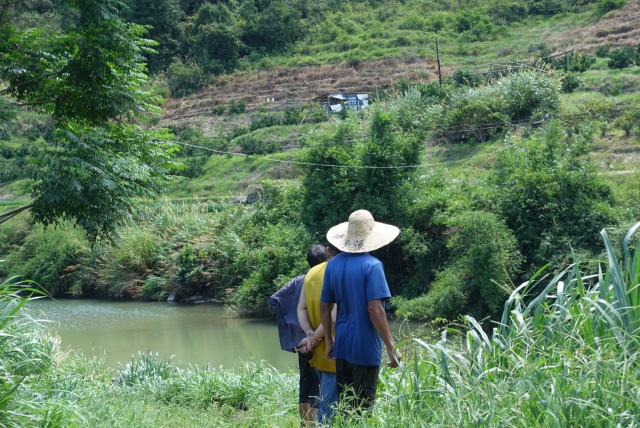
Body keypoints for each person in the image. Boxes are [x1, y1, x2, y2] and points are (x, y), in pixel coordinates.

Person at [320, 209, 402, 412]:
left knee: (346, 407)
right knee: (363, 410)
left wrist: (330, 342)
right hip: (365, 348)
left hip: (343, 346)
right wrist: (392, 347)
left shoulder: (332, 265)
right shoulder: (373, 266)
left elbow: (324, 307)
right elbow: (375, 310)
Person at [269, 245, 327, 426]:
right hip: (321, 337)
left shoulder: (299, 280)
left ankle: (305, 424)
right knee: (320, 383)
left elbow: (275, 299)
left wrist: (294, 324)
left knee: (306, 381)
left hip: (302, 341)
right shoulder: (326, 278)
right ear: (326, 259)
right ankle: (316, 424)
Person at [296, 245, 339, 424]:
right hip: (335, 352)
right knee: (330, 411)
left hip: (316, 354)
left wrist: (309, 334)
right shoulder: (338, 273)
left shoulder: (311, 273)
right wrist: (314, 338)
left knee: (319, 400)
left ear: (329, 251)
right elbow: (334, 317)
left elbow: (301, 308)